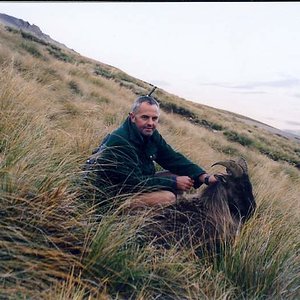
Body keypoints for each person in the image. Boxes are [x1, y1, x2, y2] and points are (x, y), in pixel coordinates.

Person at [83, 95, 218, 212]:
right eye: (145, 117)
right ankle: (127, 220)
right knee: (167, 197)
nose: (150, 123)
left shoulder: (149, 134)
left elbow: (173, 158)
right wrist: (173, 183)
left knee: (179, 175)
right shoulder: (120, 141)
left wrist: (205, 177)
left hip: (135, 184)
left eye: (154, 118)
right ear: (132, 117)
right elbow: (132, 182)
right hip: (111, 197)